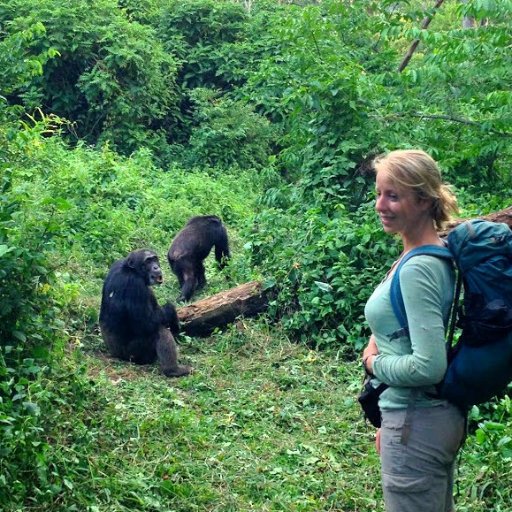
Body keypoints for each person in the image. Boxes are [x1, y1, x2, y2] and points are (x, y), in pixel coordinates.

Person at [362, 149, 466, 512]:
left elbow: (427, 366)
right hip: (415, 420)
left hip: (416, 421)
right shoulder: (429, 254)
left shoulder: (418, 268)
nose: (380, 205)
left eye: (394, 195)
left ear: (423, 200)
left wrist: (374, 364)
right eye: (378, 193)